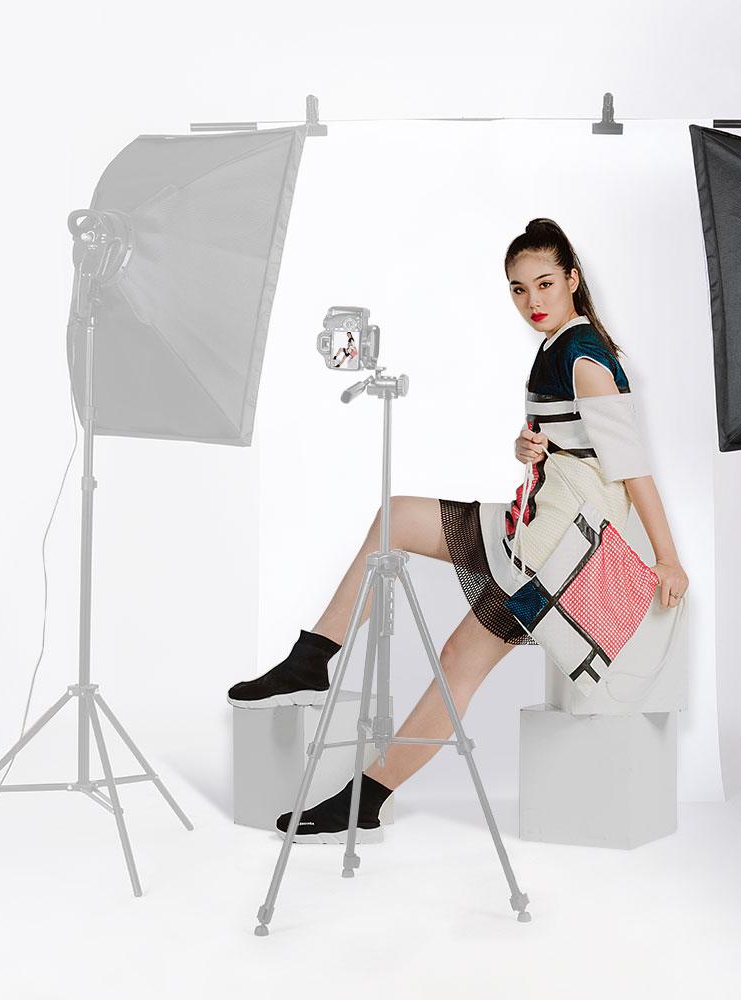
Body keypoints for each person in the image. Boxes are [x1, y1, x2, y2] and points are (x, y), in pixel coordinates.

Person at [226, 217, 689, 844]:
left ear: (573, 280)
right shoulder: (558, 347)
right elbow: (583, 448)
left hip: (552, 552)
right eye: (518, 289)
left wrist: (668, 558)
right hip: (537, 524)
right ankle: (320, 681)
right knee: (409, 547)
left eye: (545, 284)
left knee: (452, 651)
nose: (532, 301)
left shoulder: (583, 359)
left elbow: (631, 469)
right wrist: (532, 446)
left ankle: (351, 762)